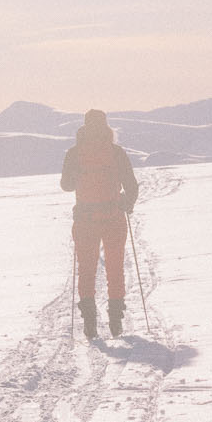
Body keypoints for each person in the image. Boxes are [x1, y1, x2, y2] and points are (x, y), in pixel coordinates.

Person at [59, 108, 140, 338]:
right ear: (106, 127)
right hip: (113, 216)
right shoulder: (116, 152)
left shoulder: (74, 153)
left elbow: (66, 185)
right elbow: (131, 186)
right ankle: (115, 320)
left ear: (84, 127)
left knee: (86, 270)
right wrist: (127, 203)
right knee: (115, 267)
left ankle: (89, 322)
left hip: (85, 218)